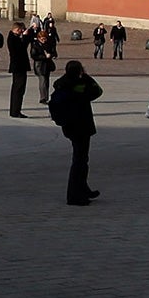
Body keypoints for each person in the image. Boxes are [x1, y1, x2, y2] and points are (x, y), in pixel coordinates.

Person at [49, 60, 103, 205]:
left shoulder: (61, 84)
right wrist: (86, 76)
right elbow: (97, 91)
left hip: (70, 126)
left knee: (81, 159)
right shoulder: (81, 85)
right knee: (80, 161)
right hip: (81, 125)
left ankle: (83, 189)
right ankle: (74, 195)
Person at [30, 28, 55, 106]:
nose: (44, 40)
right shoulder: (35, 45)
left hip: (47, 65)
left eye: (45, 38)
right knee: (43, 80)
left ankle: (46, 97)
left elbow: (53, 52)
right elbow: (34, 55)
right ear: (39, 38)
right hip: (39, 65)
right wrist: (44, 56)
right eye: (42, 38)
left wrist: (51, 55)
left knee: (46, 81)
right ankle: (43, 98)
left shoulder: (48, 44)